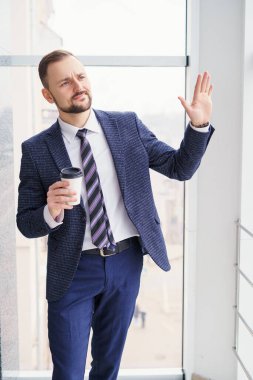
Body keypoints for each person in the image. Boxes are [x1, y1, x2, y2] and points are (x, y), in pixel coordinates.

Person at [16, 50, 214, 380]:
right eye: (64, 82)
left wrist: (199, 125)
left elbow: (179, 168)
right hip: (72, 271)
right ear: (47, 94)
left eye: (80, 76)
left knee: (108, 367)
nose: (77, 85)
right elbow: (25, 222)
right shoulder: (36, 149)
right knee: (67, 372)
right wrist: (50, 211)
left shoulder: (126, 126)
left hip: (126, 263)